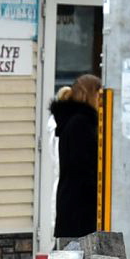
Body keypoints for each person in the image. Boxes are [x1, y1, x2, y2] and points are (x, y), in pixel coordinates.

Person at [49, 74, 103, 240]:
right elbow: (82, 166)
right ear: (91, 94)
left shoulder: (70, 120)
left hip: (71, 203)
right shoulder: (82, 123)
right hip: (82, 207)